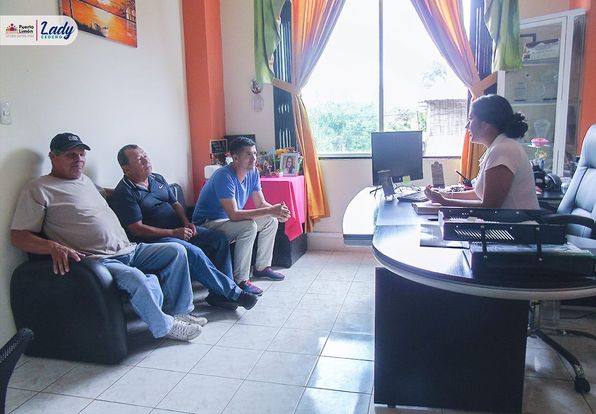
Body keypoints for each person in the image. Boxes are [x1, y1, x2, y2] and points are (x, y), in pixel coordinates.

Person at [10, 133, 203, 342]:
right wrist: (53, 247)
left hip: (129, 249)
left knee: (176, 251)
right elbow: (19, 236)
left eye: (81, 154)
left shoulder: (85, 181)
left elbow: (110, 193)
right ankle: (165, 326)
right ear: (52, 156)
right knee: (137, 279)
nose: (78, 159)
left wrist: (134, 194)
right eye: (70, 155)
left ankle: (179, 312)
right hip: (99, 260)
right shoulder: (38, 188)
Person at [110, 145, 258, 310]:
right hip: (155, 239)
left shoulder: (157, 179)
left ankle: (219, 295)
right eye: (139, 159)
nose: (146, 160)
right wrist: (174, 233)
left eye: (145, 156)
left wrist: (187, 222)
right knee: (193, 252)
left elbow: (175, 204)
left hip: (179, 229)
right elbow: (137, 229)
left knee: (218, 240)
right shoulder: (124, 193)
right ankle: (234, 294)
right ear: (126, 168)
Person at [192, 136, 291, 296]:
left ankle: (262, 267)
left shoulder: (253, 173)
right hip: (207, 224)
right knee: (248, 226)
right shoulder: (223, 176)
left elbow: (261, 203)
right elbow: (234, 215)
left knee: (270, 221)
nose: (254, 158)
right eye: (248, 154)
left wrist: (277, 212)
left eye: (255, 153)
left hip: (228, 221)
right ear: (235, 158)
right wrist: (271, 210)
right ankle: (241, 280)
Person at [424, 94, 539, 210]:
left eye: (470, 119)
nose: (467, 126)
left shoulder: (503, 149)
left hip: (517, 221)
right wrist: (444, 194)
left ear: (486, 124)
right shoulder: (498, 146)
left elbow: (490, 206)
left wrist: (444, 202)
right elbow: (479, 194)